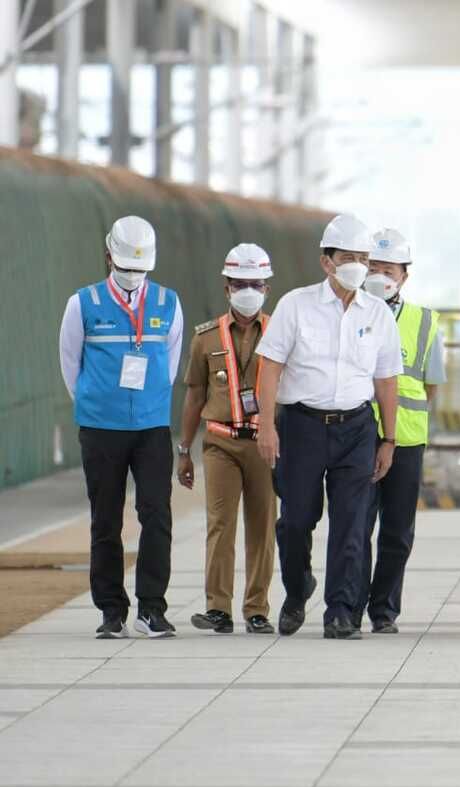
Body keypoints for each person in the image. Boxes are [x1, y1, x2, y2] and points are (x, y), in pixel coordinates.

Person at [255, 214, 403, 640]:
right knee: (297, 519)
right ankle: (298, 589)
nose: (357, 265)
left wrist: (388, 439)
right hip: (302, 426)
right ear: (326, 262)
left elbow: (386, 379)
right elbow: (270, 368)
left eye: (363, 258)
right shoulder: (295, 305)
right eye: (348, 257)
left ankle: (340, 611)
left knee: (352, 522)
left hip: (357, 427)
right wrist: (267, 426)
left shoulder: (377, 314)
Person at [58, 215, 184, 639]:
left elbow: (169, 363)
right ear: (109, 255)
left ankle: (152, 608)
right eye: (126, 268)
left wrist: (144, 403)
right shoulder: (84, 303)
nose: (133, 277)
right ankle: (112, 609)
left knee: (157, 513)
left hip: (151, 427)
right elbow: (69, 362)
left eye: (140, 269)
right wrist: (98, 404)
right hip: (101, 428)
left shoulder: (168, 303)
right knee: (105, 518)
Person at [177, 244, 277, 635]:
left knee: (263, 525)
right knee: (220, 523)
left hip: (265, 443)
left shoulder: (281, 334)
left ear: (267, 288)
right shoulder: (205, 337)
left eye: (255, 284)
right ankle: (217, 607)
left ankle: (257, 609)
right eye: (239, 284)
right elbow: (194, 395)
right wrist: (184, 450)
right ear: (226, 288)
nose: (247, 291)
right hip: (220, 442)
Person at [353, 229, 447, 633]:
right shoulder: (349, 314)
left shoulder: (424, 322)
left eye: (387, 269)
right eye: (372, 267)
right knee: (355, 526)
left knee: (396, 531)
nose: (378, 275)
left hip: (406, 440)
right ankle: (349, 604)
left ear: (404, 275)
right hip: (356, 436)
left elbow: (431, 385)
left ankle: (384, 609)